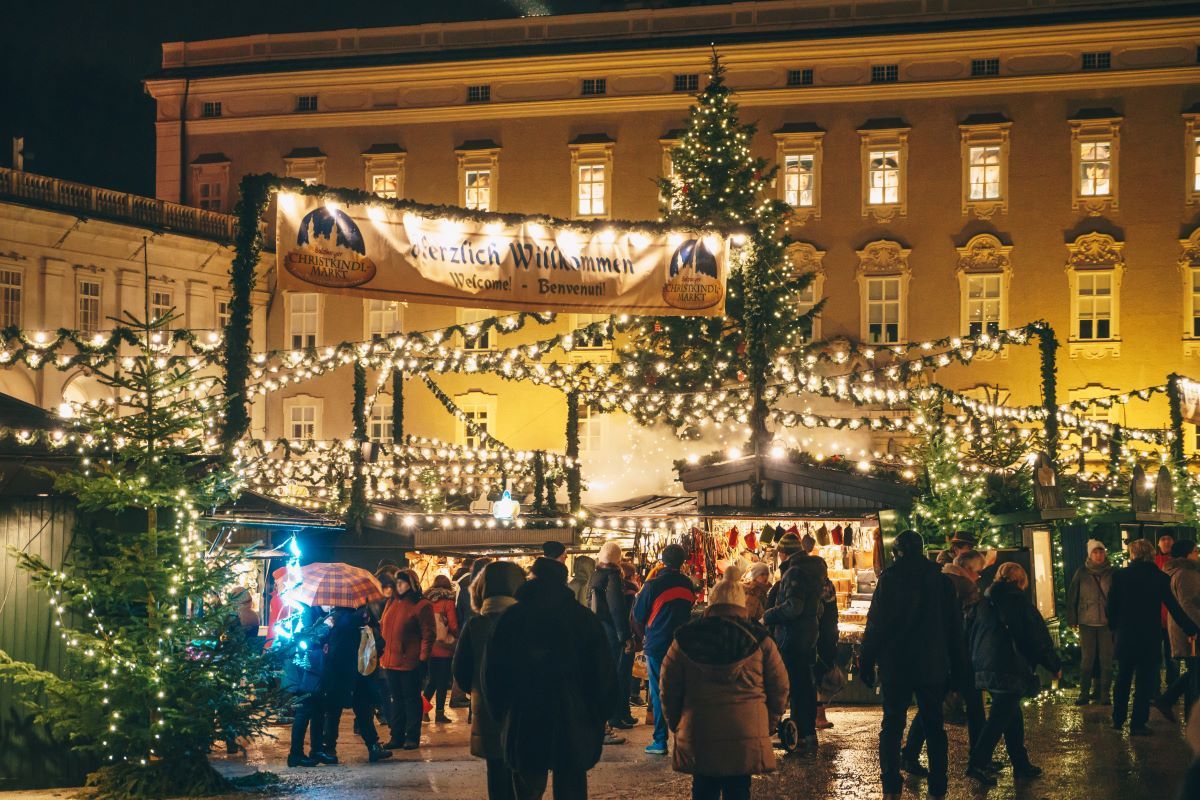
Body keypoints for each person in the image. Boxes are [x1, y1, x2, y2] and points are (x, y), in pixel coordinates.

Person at [482, 554, 618, 800]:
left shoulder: (511, 619)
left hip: (525, 716)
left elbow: (493, 674)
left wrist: (503, 715)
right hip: (573, 716)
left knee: (527, 786)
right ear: (563, 581)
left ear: (532, 577)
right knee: (571, 786)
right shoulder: (582, 619)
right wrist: (598, 715)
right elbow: (603, 672)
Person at [660, 579, 789, 800]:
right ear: (741, 603)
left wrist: (676, 724)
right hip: (744, 732)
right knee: (738, 790)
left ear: (711, 602)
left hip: (699, 730)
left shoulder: (685, 639)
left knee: (703, 789)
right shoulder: (761, 640)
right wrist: (768, 723)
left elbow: (668, 687)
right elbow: (780, 686)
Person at [860, 530, 962, 800]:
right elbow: (954, 630)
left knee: (892, 726)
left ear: (897, 552)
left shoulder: (889, 580)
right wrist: (960, 669)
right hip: (932, 664)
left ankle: (891, 786)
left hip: (897, 665)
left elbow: (876, 624)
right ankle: (938, 787)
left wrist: (866, 660)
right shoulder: (941, 583)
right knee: (934, 726)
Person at [966, 563, 1060, 787]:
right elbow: (1036, 637)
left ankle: (1020, 762)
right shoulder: (1018, 602)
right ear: (1020, 582)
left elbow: (969, 631)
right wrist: (1053, 664)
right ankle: (977, 763)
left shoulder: (984, 601)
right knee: (999, 717)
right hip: (1009, 666)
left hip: (985, 664)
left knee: (1011, 713)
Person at [901, 548, 986, 775]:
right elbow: (968, 625)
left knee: (931, 704)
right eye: (978, 572)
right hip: (960, 655)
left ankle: (909, 754)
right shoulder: (966, 587)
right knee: (975, 706)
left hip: (935, 653)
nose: (979, 576)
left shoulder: (938, 580)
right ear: (968, 569)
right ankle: (977, 758)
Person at [1108, 538, 1199, 735]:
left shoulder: (1119, 576)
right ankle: (1138, 724)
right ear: (1151, 554)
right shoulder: (1159, 577)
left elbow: (1111, 608)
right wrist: (1191, 628)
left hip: (1125, 635)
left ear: (1132, 554)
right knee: (1144, 681)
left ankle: (1118, 719)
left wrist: (1114, 628)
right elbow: (1174, 608)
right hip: (1149, 637)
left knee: (1123, 678)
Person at [453, 560, 526, 800]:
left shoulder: (475, 625)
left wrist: (477, 690)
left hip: (486, 710)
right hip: (526, 711)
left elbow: (461, 671)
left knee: (496, 772)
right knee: (525, 773)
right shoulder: (527, 623)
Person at [763, 530, 826, 755]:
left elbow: (793, 607)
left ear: (782, 553)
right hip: (809, 634)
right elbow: (821, 604)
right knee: (804, 685)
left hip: (792, 636)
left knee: (793, 686)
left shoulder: (794, 572)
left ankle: (798, 733)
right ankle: (807, 733)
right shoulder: (816, 569)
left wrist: (768, 616)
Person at [632, 543, 697, 756]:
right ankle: (684, 738)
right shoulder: (688, 585)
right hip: (682, 643)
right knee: (682, 689)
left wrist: (645, 637)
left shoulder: (652, 585)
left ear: (662, 560)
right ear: (683, 561)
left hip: (658, 644)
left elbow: (638, 615)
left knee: (660, 691)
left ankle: (660, 740)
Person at [314, 606, 393, 764]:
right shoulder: (364, 616)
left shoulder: (334, 619)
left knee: (333, 712)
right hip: (360, 672)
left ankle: (329, 748)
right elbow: (379, 641)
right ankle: (373, 747)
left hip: (337, 672)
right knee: (363, 711)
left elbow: (322, 641)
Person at [380, 568, 435, 750]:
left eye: (402, 582)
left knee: (411, 700)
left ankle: (412, 736)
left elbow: (428, 634)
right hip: (390, 660)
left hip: (410, 662)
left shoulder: (421, 605)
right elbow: (384, 627)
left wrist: (423, 657)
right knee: (396, 699)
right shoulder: (392, 602)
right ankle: (396, 736)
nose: (399, 586)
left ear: (411, 584)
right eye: (397, 582)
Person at [588, 541, 635, 735]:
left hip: (599, 630)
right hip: (612, 633)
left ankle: (621, 712)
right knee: (619, 673)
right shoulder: (612, 577)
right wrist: (625, 636)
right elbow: (617, 608)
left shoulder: (595, 575)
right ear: (618, 558)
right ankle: (616, 715)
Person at [1066, 539, 1115, 706]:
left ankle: (1104, 694)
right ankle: (1084, 693)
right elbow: (1073, 595)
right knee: (1087, 660)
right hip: (1086, 621)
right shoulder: (1082, 572)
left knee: (1106, 661)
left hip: (1107, 622)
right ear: (1090, 554)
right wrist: (1072, 618)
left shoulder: (1112, 572)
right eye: (1095, 552)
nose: (1099, 555)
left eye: (1101, 551)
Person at [1156, 540, 1200, 722]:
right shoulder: (1185, 573)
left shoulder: (1177, 571)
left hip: (1184, 627)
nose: (1197, 554)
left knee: (1195, 671)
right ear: (1187, 554)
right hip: (1191, 630)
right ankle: (1184, 711)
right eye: (1195, 551)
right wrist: (1195, 627)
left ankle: (1172, 702)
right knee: (1196, 672)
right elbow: (1188, 604)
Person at [281, 605, 330, 768]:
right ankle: (295, 754)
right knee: (304, 710)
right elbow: (307, 637)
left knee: (318, 710)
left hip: (315, 668)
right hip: (306, 669)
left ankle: (316, 750)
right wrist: (327, 626)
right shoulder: (307, 612)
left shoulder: (317, 611)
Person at [453, 558, 492, 709]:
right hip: (483, 631)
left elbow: (459, 612)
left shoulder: (464, 589)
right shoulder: (487, 588)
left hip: (466, 630)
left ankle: (470, 702)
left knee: (469, 664)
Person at [424, 574, 460, 723]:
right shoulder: (448, 602)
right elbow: (453, 625)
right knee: (443, 681)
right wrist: (458, 635)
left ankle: (422, 710)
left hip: (430, 646)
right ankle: (439, 714)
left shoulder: (426, 601)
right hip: (444, 648)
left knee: (432, 680)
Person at [1159, 533, 1181, 695]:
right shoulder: (1154, 561)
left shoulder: (1178, 562)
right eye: (1163, 539)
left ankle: (1173, 686)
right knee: (1155, 655)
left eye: (1169, 539)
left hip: (1172, 615)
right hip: (1157, 615)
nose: (1166, 542)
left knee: (1173, 655)